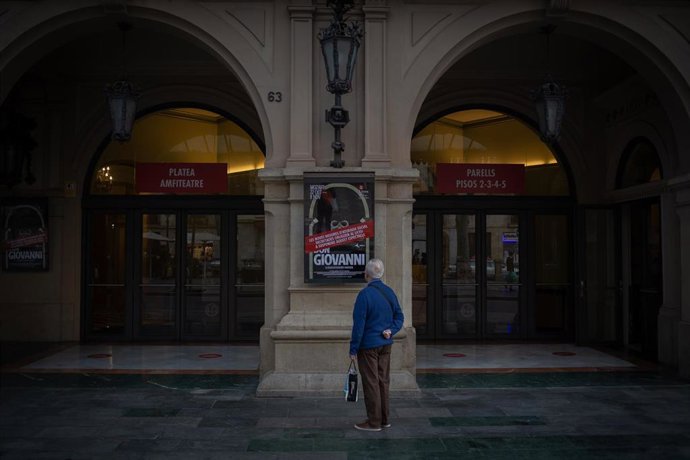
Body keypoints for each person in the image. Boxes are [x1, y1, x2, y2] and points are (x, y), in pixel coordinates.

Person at [349, 258, 404, 432]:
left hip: (368, 346)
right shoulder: (390, 292)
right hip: (385, 344)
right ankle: (384, 419)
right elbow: (400, 317)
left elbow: (359, 325)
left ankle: (373, 422)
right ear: (381, 274)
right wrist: (391, 330)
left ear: (366, 275)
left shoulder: (364, 295)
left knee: (371, 382)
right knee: (383, 381)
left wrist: (353, 348)